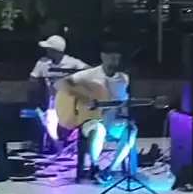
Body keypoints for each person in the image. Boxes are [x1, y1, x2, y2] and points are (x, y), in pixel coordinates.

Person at [58, 41, 135, 182]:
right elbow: (61, 84)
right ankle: (95, 166)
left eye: (117, 59)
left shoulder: (123, 78)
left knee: (131, 131)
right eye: (112, 58)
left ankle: (110, 169)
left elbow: (123, 103)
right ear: (103, 57)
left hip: (112, 120)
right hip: (91, 119)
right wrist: (84, 98)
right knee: (99, 129)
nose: (114, 62)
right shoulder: (89, 74)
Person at [29, 35, 89, 140]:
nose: (47, 51)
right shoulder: (43, 62)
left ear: (56, 51)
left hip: (70, 102)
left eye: (49, 49)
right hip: (52, 102)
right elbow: (33, 78)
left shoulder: (72, 62)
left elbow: (89, 71)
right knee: (52, 131)